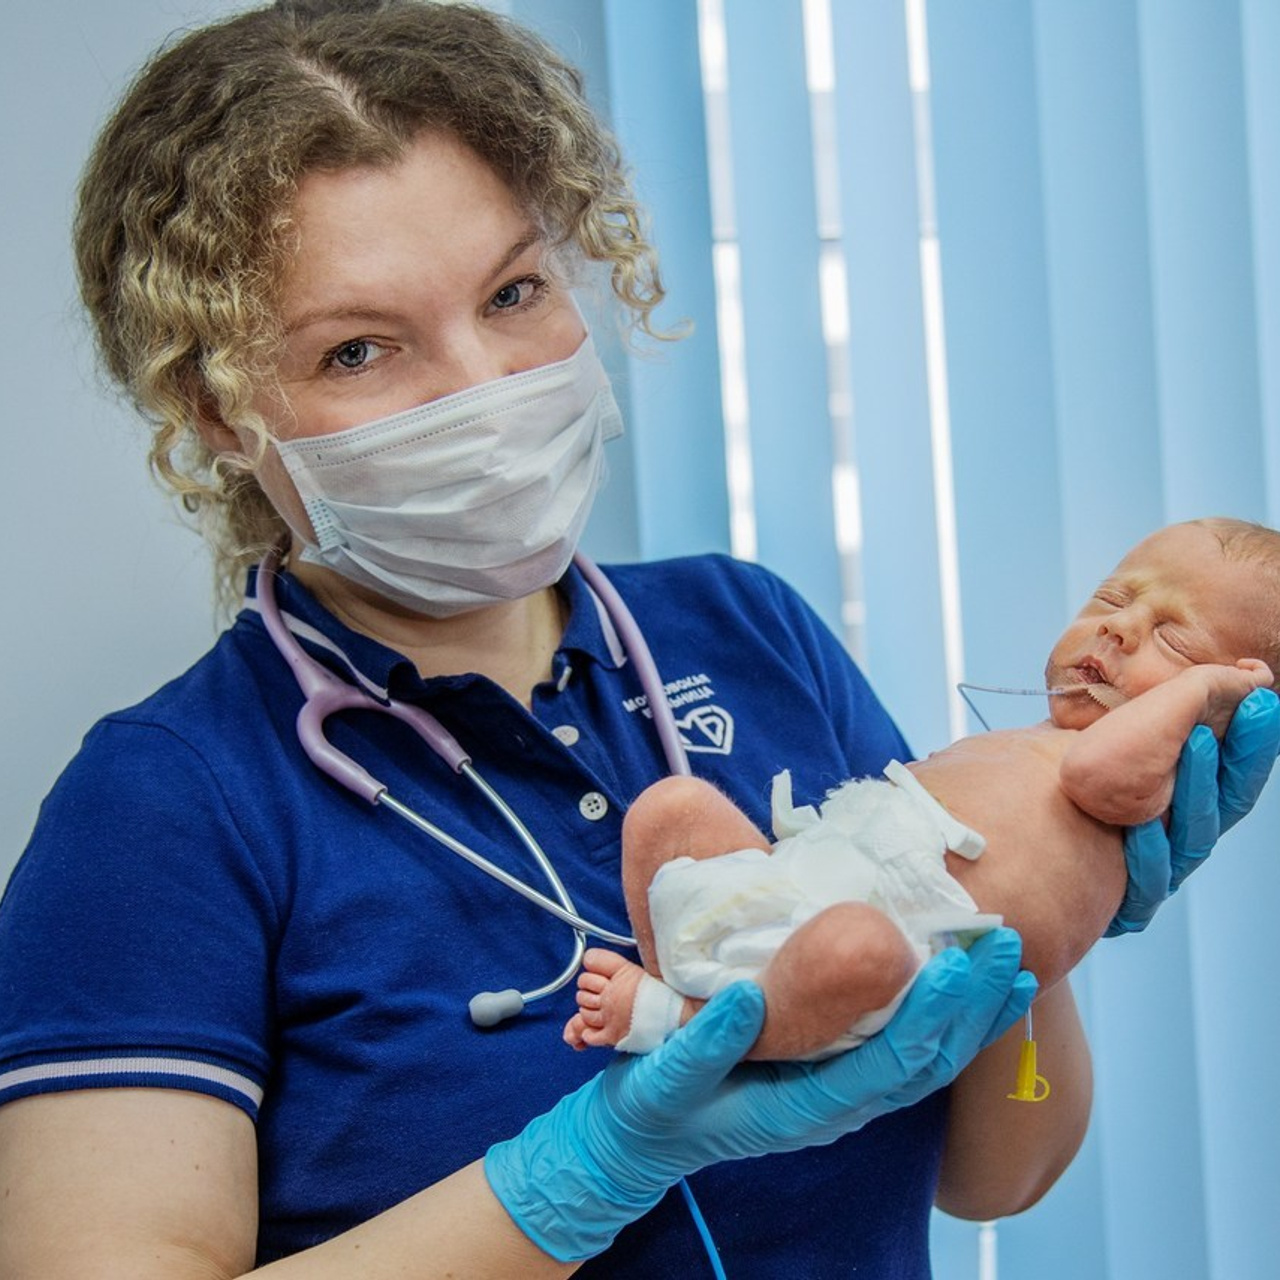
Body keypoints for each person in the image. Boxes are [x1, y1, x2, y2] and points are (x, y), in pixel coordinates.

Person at [0, 3, 1275, 1277]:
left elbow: (995, 1173)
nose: (483, 387)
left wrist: (1037, 908)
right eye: (359, 348)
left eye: (512, 290)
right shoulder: (167, 804)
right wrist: (586, 1168)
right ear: (213, 409)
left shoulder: (746, 626)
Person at [564, 518, 1279, 1061]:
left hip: (881, 941)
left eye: (1174, 641)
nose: (1118, 627)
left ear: (1228, 694)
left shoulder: (1133, 776)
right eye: (1112, 598)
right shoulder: (1033, 740)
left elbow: (1096, 776)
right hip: (799, 881)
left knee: (854, 951)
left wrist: (1202, 695)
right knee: (672, 808)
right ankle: (687, 976)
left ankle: (684, 1024)